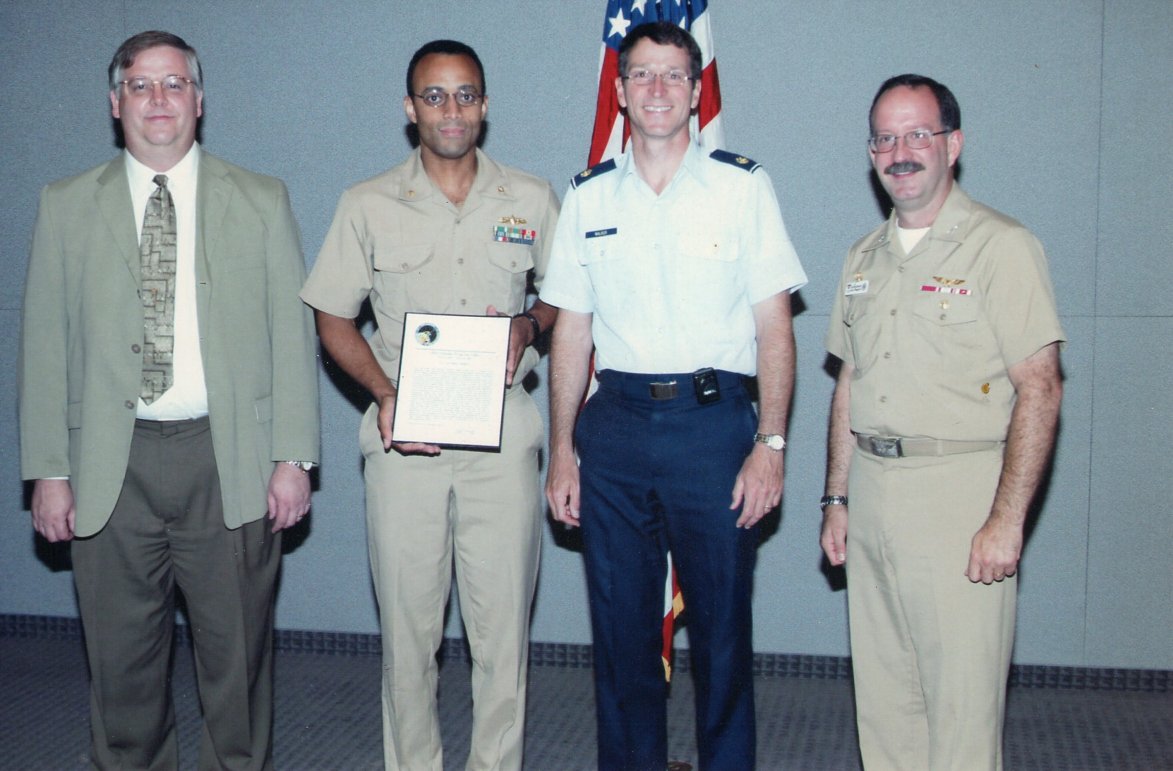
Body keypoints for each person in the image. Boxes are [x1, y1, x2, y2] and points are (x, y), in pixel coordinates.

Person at [18, 30, 320, 770]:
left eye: (175, 84)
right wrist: (47, 470)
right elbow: (44, 345)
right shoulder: (64, 206)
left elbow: (292, 332)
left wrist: (293, 457)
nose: (160, 100)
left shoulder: (259, 199)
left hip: (230, 458)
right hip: (106, 466)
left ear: (200, 99)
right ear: (115, 102)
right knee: (121, 665)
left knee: (237, 662)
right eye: (143, 85)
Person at [542, 21, 808, 770]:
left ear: (696, 91)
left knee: (722, 634)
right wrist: (562, 449)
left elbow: (774, 330)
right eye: (641, 76)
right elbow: (569, 332)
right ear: (619, 93)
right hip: (615, 431)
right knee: (621, 634)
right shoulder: (588, 197)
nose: (656, 90)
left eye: (672, 76)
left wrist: (771, 444)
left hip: (713, 429)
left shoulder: (741, 187)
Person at [299, 39, 559, 770]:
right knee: (409, 636)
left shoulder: (531, 198)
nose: (452, 110)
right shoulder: (367, 202)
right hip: (402, 440)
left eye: (466, 94)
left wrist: (530, 323)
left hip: (501, 438)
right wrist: (385, 395)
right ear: (409, 109)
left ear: (486, 104)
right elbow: (332, 317)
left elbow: (566, 301)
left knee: (501, 635)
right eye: (435, 96)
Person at [819, 74, 1065, 770]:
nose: (899, 151)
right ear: (870, 152)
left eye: (916, 134)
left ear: (951, 144)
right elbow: (850, 382)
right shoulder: (860, 258)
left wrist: (1005, 518)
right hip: (872, 497)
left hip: (960, 497)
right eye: (884, 138)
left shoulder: (1001, 246)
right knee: (886, 708)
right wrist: (836, 498)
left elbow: (1040, 388)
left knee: (959, 715)